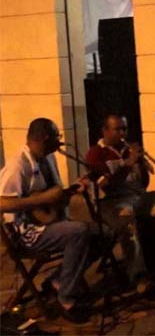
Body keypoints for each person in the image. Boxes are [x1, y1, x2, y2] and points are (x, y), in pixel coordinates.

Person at [0, 118, 98, 323]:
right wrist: (42, 199)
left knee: (100, 234)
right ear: (45, 138)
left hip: (49, 222)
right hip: (26, 232)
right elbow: (2, 203)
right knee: (79, 232)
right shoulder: (18, 163)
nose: (60, 141)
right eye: (57, 137)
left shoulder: (48, 158)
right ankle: (66, 299)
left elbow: (53, 199)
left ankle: (59, 279)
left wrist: (71, 191)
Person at [85, 114, 155, 296]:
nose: (122, 133)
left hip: (138, 197)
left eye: (124, 129)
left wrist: (142, 164)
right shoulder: (96, 153)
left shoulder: (129, 150)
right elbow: (105, 186)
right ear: (105, 131)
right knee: (128, 220)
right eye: (117, 129)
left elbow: (143, 184)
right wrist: (127, 164)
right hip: (112, 202)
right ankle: (139, 276)